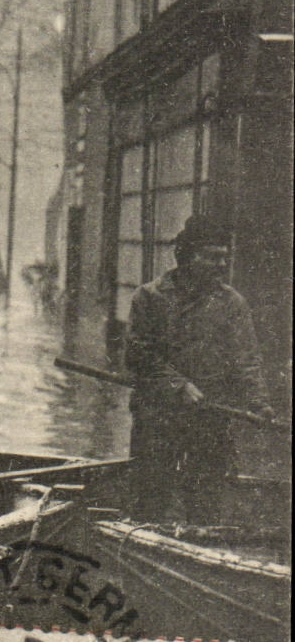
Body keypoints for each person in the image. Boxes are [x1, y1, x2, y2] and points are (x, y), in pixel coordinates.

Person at [125, 213, 272, 522]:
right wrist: (178, 386)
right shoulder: (150, 297)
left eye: (224, 257)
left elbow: (247, 360)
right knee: (150, 499)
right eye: (212, 257)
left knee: (206, 503)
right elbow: (138, 356)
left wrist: (258, 402)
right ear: (188, 257)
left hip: (210, 417)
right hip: (157, 416)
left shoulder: (231, 303)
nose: (221, 265)